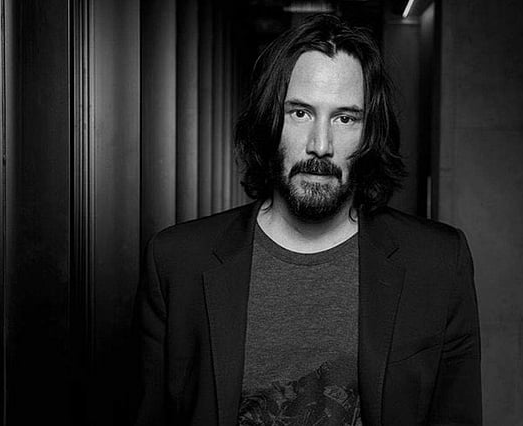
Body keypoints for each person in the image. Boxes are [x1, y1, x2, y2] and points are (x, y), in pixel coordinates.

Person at [135, 14, 481, 426]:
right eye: (300, 113)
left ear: (370, 134)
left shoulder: (438, 263)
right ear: (270, 120)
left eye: (345, 118)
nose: (321, 145)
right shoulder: (177, 262)